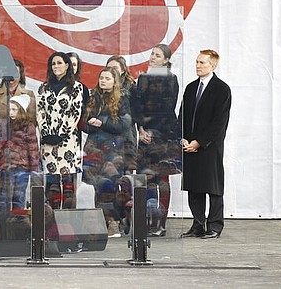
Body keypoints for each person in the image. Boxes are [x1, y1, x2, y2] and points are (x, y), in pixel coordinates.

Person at [181, 49, 231, 239]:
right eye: (197, 62)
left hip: (210, 146)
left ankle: (215, 226)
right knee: (194, 187)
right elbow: (184, 115)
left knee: (213, 186)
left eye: (202, 63)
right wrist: (185, 138)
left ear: (213, 65)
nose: (198, 66)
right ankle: (198, 224)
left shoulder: (221, 89)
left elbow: (219, 122)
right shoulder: (191, 87)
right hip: (190, 145)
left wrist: (200, 142)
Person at [132, 43, 180, 236]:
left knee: (162, 178)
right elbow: (137, 107)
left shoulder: (171, 79)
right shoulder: (142, 78)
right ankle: (148, 221)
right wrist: (142, 130)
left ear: (166, 60)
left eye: (158, 55)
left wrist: (153, 132)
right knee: (146, 177)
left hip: (164, 135)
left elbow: (167, 109)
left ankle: (160, 223)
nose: (153, 57)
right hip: (145, 135)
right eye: (152, 54)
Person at [80, 67, 135, 235]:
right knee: (94, 185)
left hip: (113, 148)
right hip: (93, 146)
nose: (103, 81)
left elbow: (124, 125)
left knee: (111, 185)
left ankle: (115, 221)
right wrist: (91, 124)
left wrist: (102, 123)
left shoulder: (122, 99)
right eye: (101, 78)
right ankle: (100, 221)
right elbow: (83, 123)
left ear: (114, 82)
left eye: (107, 78)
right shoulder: (92, 98)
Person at [36, 52, 85, 208]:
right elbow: (40, 111)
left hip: (68, 141)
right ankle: (52, 217)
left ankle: (68, 217)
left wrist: (61, 134)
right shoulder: (44, 87)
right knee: (52, 184)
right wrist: (46, 133)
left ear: (67, 65)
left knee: (67, 182)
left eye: (59, 63)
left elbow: (75, 113)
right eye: (53, 64)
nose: (56, 66)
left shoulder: (76, 87)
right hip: (48, 141)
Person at [0, 94, 39, 210]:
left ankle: (18, 221)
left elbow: (33, 148)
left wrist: (34, 168)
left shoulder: (28, 126)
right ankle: (4, 221)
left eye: (14, 109)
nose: (11, 112)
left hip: (22, 166)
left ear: (21, 110)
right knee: (5, 196)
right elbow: (0, 146)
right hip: (7, 165)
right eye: (9, 109)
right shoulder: (6, 125)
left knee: (19, 196)